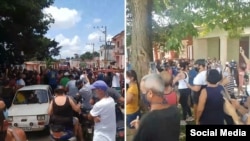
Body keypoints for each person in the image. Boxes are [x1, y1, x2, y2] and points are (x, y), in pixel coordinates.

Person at [130, 73, 180, 141]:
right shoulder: (175, 110)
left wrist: (140, 128)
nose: (142, 95)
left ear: (150, 93)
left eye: (143, 92)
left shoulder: (148, 119)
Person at [126, 70, 140, 134]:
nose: (125, 78)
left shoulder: (131, 89)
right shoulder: (134, 85)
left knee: (133, 131)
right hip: (134, 110)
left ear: (132, 78)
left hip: (131, 113)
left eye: (126, 77)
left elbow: (127, 101)